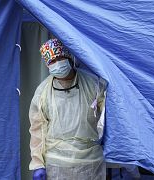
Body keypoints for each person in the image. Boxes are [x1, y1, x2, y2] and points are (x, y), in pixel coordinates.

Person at [29, 38, 107, 180]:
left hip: (91, 163)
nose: (57, 64)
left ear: (69, 57)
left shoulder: (94, 84)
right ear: (47, 65)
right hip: (56, 164)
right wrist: (38, 164)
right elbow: (37, 130)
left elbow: (111, 119)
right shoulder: (43, 92)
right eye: (52, 61)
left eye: (60, 58)